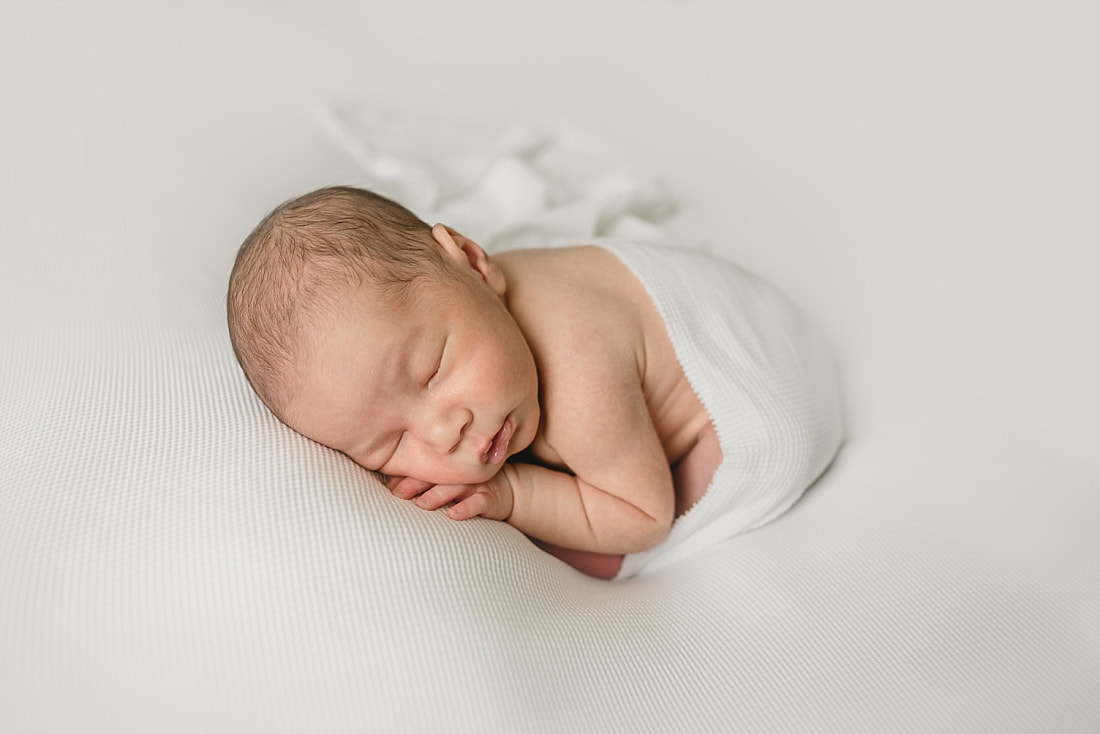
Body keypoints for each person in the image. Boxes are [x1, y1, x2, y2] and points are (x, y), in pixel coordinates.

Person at [227, 186, 842, 580]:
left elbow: (644, 516)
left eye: (433, 370)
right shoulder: (470, 307)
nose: (444, 431)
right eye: (388, 445)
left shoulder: (579, 379)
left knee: (601, 559)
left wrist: (517, 497)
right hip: (714, 313)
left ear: (470, 259)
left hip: (760, 375)